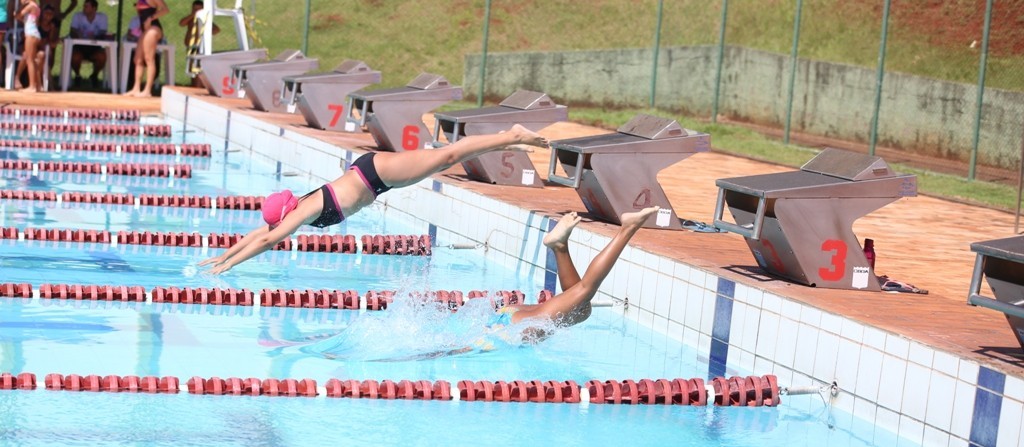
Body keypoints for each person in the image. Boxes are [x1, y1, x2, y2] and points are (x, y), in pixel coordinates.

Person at [199, 125, 550, 274]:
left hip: (376, 174)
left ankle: (511, 136)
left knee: (446, 158)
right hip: (375, 177)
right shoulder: (297, 209)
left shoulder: (304, 211)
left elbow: (268, 239)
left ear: (287, 214)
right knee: (445, 159)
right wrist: (223, 255)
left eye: (280, 222)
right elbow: (259, 233)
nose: (279, 227)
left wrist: (231, 265)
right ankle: (508, 142)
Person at [123, 0, 167, 97]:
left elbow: (165, 10)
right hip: (145, 30)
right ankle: (136, 88)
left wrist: (150, 18)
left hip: (153, 28)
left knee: (149, 59)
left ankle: (147, 90)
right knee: (137, 59)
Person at [69, 0, 108, 87]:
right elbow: (72, 31)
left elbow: (103, 33)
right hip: (80, 47)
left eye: (86, 6)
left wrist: (94, 38)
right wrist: (78, 35)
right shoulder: (77, 16)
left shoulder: (102, 17)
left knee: (102, 57)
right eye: (84, 6)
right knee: (75, 57)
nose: (84, 8)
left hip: (95, 47)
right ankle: (77, 75)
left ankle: (94, 75)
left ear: (94, 8)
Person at [179, 0, 217, 87]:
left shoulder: (204, 20)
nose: (196, 11)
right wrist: (193, 15)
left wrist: (207, 29)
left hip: (200, 47)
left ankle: (199, 86)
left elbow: (216, 30)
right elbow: (181, 23)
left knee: (199, 69)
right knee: (192, 69)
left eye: (199, 10)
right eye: (194, 9)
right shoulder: (191, 19)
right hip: (192, 47)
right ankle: (195, 86)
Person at [14, 0, 41, 92]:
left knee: (29, 60)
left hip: (31, 34)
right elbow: (26, 19)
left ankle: (32, 86)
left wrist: (17, 11)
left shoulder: (30, 6)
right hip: (34, 33)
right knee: (32, 60)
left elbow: (18, 15)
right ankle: (37, 85)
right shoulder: (36, 6)